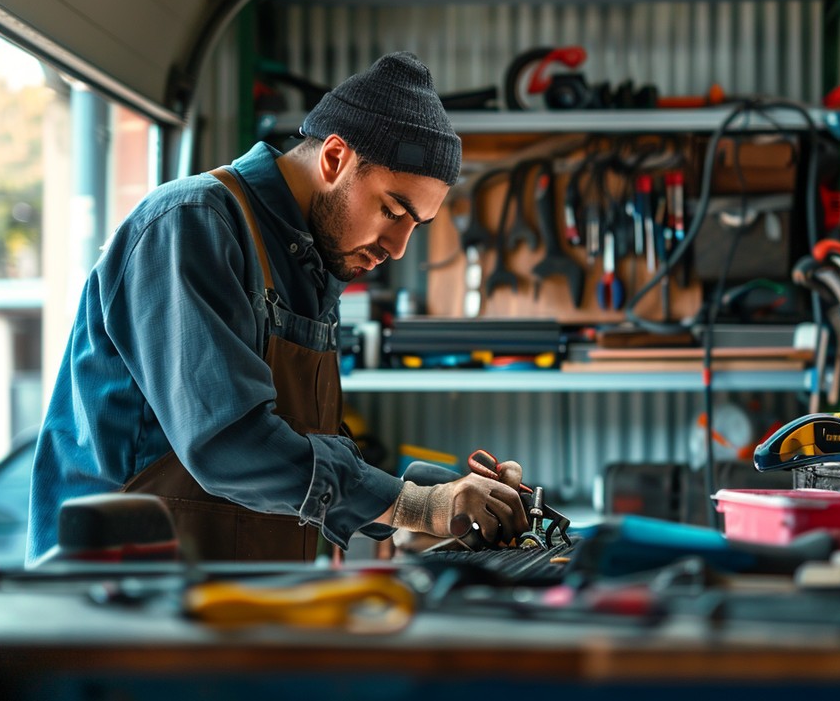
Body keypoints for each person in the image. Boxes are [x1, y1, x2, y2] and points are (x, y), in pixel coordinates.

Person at [28, 51, 528, 563]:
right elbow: (229, 444)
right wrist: (414, 506)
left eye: (415, 225)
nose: (398, 247)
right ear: (335, 159)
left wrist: (446, 498)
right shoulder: (191, 225)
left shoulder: (312, 264)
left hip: (228, 595)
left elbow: (303, 454)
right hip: (115, 598)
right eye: (392, 210)